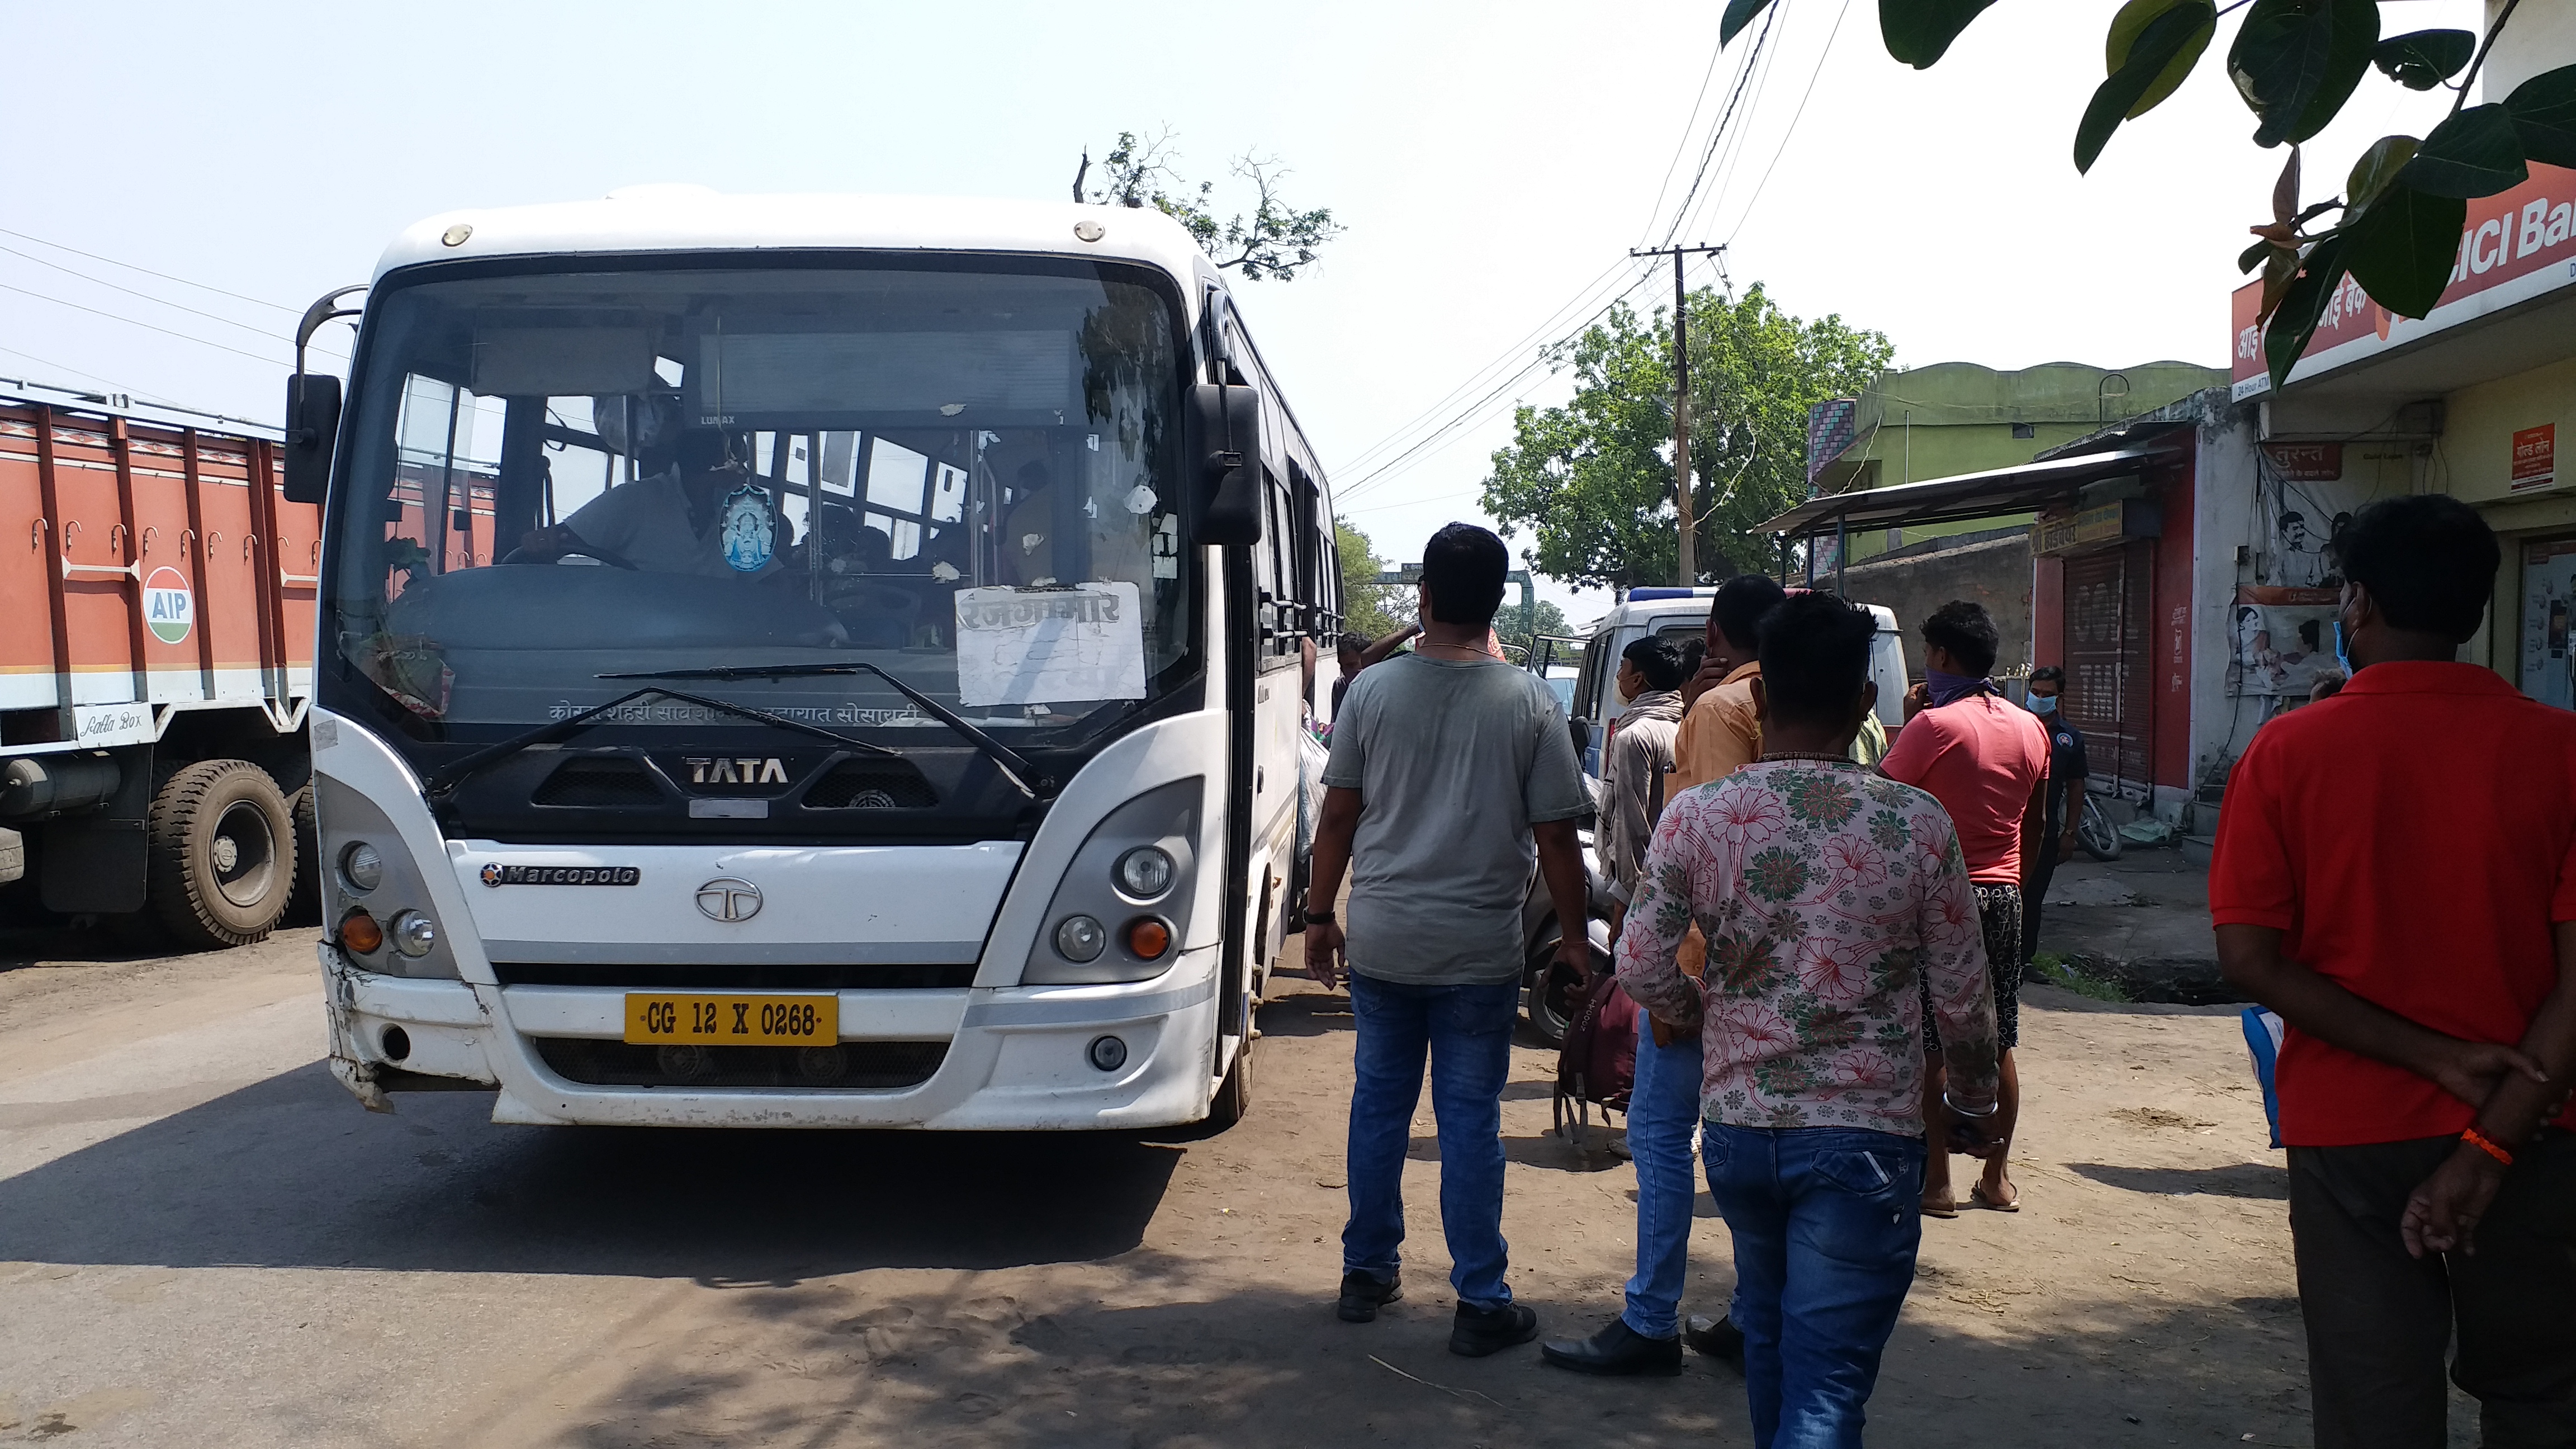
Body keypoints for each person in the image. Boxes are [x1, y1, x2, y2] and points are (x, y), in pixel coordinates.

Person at [2213, 494, 2576, 1449]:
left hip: (2351, 1136)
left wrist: (2434, 1058)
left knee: (2373, 1408)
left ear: (2357, 602)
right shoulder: (2562, 751)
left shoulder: (2288, 752)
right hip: (2537, 1129)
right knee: (2543, 1394)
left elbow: (2249, 958)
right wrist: (2488, 1139)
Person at [1618, 590, 2003, 1446]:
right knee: (1825, 1387)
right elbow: (1963, 996)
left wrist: (1709, 1016)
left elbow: (1640, 962)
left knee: (1775, 1350)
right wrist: (1973, 1101)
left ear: (1758, 698)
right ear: (1867, 703)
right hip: (1865, 1141)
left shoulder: (1700, 817)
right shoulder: (1916, 824)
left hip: (1742, 1133)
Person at [1306, 522, 1593, 1357]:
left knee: (1379, 1108)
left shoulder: (1372, 693)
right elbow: (1555, 839)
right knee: (1470, 1122)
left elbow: (1338, 814)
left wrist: (1321, 915)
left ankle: (1366, 1272)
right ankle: (1479, 1299)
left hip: (1387, 942)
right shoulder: (1531, 701)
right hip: (1479, 951)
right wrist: (1573, 941)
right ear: (1498, 603)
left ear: (1423, 597)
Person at [1538, 632, 1713, 1377]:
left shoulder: (1636, 733)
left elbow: (1637, 827)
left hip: (1648, 897)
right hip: (1694, 920)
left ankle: (1649, 1320)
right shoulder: (1693, 725)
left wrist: (1632, 904)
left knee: (1653, 1062)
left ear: (1635, 675)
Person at [1878, 599, 2048, 1218]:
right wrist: (2013, 886)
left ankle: (1937, 1183)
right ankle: (1996, 1178)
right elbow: (2038, 825)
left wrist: (1909, 723)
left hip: (1940, 899)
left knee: (1930, 1042)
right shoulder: (2032, 728)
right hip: (2004, 895)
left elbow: (1885, 805)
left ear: (1943, 657)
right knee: (1997, 1037)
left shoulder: (1932, 728)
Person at [520, 428, 790, 578]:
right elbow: (559, 542)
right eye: (738, 463)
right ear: (717, 468)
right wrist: (541, 541)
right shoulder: (633, 500)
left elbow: (771, 582)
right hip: (633, 650)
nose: (743, 473)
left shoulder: (740, 515)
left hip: (716, 650)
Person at [2019, 666, 2089, 969]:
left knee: (2032, 899)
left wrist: (2070, 834)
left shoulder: (2069, 739)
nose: (2040, 698)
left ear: (2059, 698)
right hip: (2009, 829)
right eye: (2035, 693)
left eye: (2047, 695)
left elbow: (2076, 786)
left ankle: (2024, 960)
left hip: (2045, 834)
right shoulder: (2013, 725)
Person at [1332, 623, 1422, 719]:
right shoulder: (1340, 687)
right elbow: (1336, 725)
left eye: (1351, 665)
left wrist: (1417, 628)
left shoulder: (1387, 685)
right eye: (1341, 665)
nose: (1344, 671)